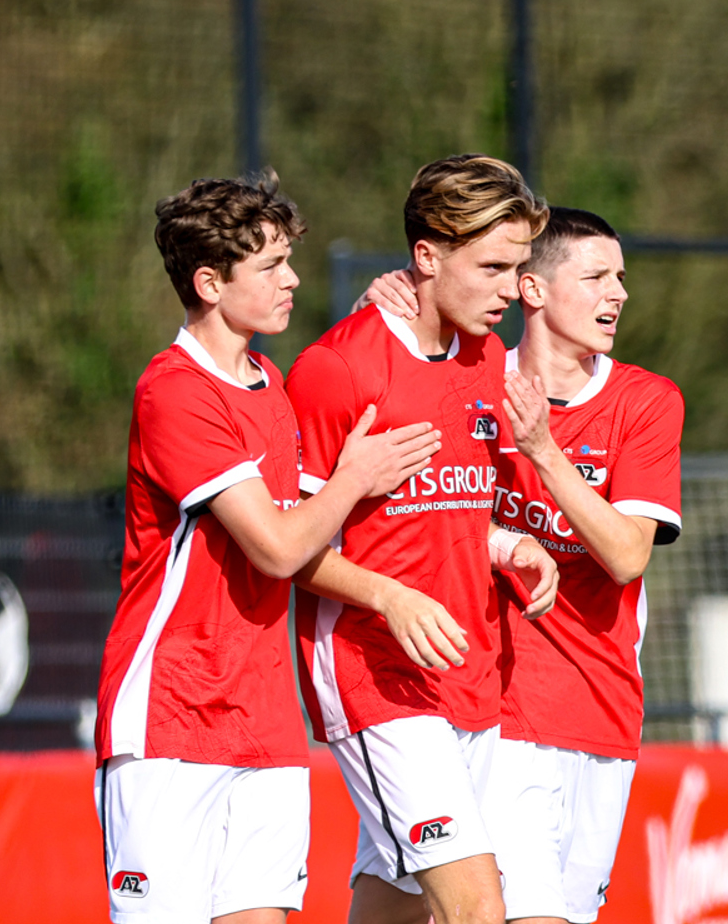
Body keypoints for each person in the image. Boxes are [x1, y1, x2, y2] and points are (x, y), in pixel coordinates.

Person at [97, 176, 446, 924]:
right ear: (209, 283)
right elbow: (280, 549)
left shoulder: (272, 383)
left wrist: (375, 320)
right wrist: (355, 477)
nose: (292, 279)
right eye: (270, 266)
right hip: (171, 721)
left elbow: (308, 522)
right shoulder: (175, 392)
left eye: (290, 260)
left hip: (266, 722)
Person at [361, 207, 683, 924]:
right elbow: (415, 501)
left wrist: (542, 450)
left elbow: (627, 555)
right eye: (596, 277)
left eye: (621, 277)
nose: (619, 293)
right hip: (487, 709)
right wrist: (377, 306)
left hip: (601, 711)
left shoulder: (645, 401)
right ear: (533, 290)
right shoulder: (470, 378)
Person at [291, 155, 561, 924]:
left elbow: (454, 509)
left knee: (397, 907)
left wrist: (509, 547)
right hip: (377, 676)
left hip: (469, 673)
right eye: (493, 268)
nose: (511, 290)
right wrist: (389, 598)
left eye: (518, 268)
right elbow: (288, 547)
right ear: (426, 256)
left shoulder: (486, 357)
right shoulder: (336, 368)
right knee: (477, 907)